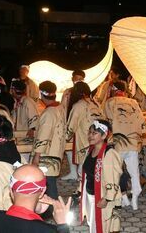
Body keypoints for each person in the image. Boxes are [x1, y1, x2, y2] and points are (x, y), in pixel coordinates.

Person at [0, 164, 71, 233]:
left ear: (11, 191)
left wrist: (36, 212)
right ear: (42, 191)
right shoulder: (47, 230)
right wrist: (63, 225)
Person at [104, 81, 146, 210]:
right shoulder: (133, 102)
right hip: (132, 142)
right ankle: (134, 201)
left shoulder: (110, 102)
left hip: (118, 143)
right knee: (134, 172)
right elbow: (142, 125)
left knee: (117, 172)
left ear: (113, 89)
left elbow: (106, 122)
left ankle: (123, 199)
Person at [31, 80, 66, 217]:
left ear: (41, 94)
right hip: (56, 154)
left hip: (46, 157)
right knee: (50, 185)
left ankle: (55, 213)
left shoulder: (49, 112)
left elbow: (44, 135)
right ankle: (54, 212)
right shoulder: (60, 108)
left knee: (48, 187)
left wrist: (36, 156)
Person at [80, 120, 122, 233]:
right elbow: (86, 172)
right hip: (90, 194)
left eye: (94, 133)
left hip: (102, 196)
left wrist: (107, 198)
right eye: (89, 132)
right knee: (92, 223)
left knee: (102, 227)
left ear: (104, 135)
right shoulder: (90, 150)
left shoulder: (109, 154)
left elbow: (113, 179)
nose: (90, 136)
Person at [66, 82, 103, 181]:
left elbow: (71, 126)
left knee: (83, 171)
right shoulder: (96, 104)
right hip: (99, 141)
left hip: (86, 142)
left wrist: (65, 138)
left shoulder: (78, 105)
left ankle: (86, 194)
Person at [60, 70, 86, 181]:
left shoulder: (86, 92)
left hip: (83, 126)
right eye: (76, 78)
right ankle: (73, 172)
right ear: (72, 79)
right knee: (69, 148)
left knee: (83, 147)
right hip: (69, 122)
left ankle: (81, 172)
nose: (78, 81)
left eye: (80, 79)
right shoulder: (67, 92)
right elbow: (63, 107)